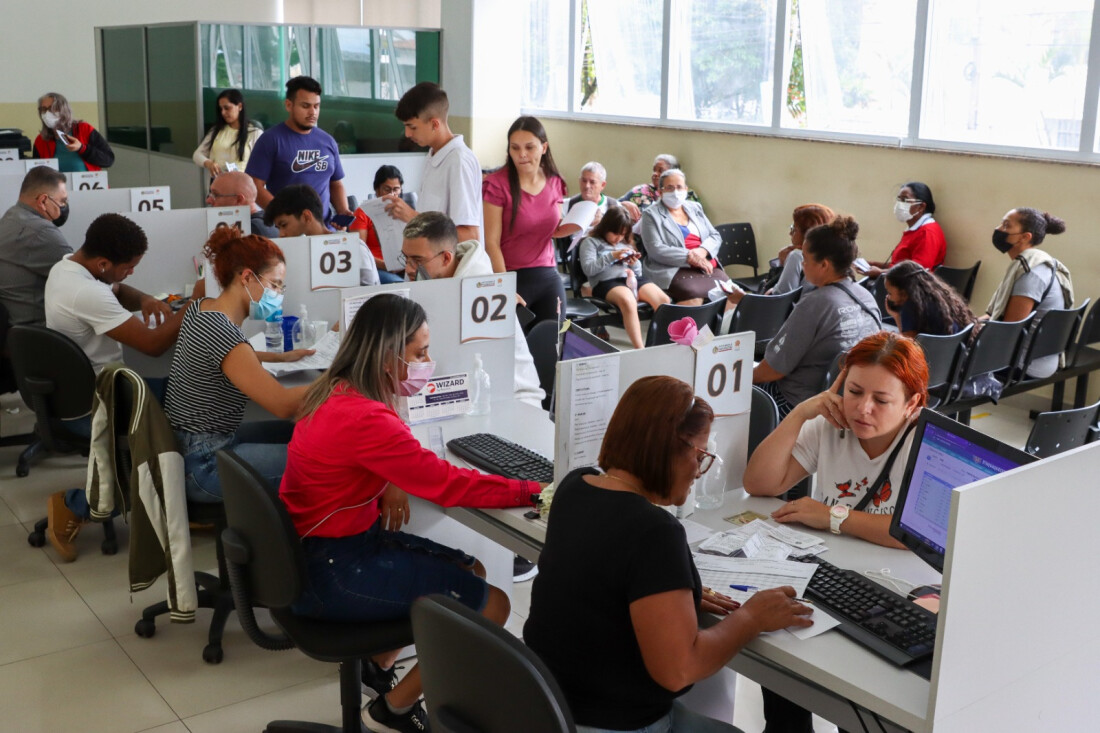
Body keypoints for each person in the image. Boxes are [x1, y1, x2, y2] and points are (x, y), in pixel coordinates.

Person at [279, 293, 542, 733]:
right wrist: (533, 490)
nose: (428, 361)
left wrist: (392, 478)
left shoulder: (334, 390)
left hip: (314, 552)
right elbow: (449, 484)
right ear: (386, 358)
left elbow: (375, 458)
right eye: (419, 353)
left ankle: (379, 668)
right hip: (334, 569)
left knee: (472, 569)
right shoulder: (365, 418)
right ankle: (392, 710)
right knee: (494, 604)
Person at [524, 375, 813, 733]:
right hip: (615, 723)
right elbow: (679, 671)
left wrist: (676, 597)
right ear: (668, 446)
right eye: (700, 454)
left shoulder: (574, 486)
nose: (698, 470)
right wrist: (751, 618)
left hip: (549, 710)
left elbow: (598, 590)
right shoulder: (654, 531)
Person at [744, 331, 927, 733]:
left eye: (881, 401)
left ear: (912, 403)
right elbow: (760, 483)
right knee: (780, 665)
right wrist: (800, 413)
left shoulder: (926, 444)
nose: (862, 409)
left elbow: (909, 533)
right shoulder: (831, 425)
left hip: (894, 589)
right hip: (830, 575)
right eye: (853, 391)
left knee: (858, 700)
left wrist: (830, 516)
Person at [43, 213, 184, 561]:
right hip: (99, 400)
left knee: (182, 396)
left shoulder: (69, 267)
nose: (132, 272)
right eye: (129, 266)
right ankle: (73, 504)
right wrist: (196, 304)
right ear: (104, 262)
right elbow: (152, 345)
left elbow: (116, 288)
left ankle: (178, 499)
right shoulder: (84, 291)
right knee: (177, 412)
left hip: (89, 388)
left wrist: (148, 300)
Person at [165, 227, 314, 504]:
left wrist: (278, 358)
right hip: (204, 465)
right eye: (275, 284)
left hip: (193, 445)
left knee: (306, 431)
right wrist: (344, 380)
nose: (279, 294)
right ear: (247, 277)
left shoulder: (202, 308)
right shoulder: (222, 331)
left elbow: (223, 357)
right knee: (319, 461)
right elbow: (282, 405)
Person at [399, 211, 545, 407]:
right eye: (406, 259)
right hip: (457, 400)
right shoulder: (428, 281)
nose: (408, 269)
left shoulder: (487, 294)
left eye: (417, 261)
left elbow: (515, 384)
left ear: (446, 258)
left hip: (509, 401)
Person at [753, 216, 882, 417]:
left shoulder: (816, 304)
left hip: (799, 405)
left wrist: (741, 379)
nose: (802, 264)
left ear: (824, 265)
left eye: (805, 258)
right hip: (844, 405)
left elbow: (774, 369)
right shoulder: (867, 297)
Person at [483, 116, 579, 325]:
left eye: (529, 147)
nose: (522, 155)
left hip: (547, 274)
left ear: (544, 147)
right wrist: (504, 287)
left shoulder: (556, 181)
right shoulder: (496, 184)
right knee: (515, 351)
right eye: (515, 148)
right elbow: (491, 242)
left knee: (550, 345)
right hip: (510, 275)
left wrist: (584, 221)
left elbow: (554, 230)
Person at [245, 76, 351, 223]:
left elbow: (335, 183)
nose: (312, 112)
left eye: (316, 106)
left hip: (323, 230)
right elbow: (254, 186)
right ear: (289, 105)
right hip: (287, 234)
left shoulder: (328, 141)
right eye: (305, 106)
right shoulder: (270, 140)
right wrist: (283, 217)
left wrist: (343, 211)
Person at [984, 207, 1074, 379]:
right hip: (1035, 358)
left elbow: (1009, 329)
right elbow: (997, 318)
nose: (998, 229)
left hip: (1025, 364)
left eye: (1006, 226)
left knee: (943, 357)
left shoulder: (1031, 273)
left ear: (1025, 237)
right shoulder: (1036, 264)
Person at [388, 82, 483, 243]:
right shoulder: (433, 155)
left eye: (412, 127)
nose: (407, 134)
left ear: (434, 124)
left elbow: (470, 235)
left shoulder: (458, 161)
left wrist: (413, 217)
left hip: (456, 267)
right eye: (405, 126)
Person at [579, 206, 670, 349]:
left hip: (630, 279)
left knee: (664, 301)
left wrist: (634, 263)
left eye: (623, 234)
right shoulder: (590, 242)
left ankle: (661, 343)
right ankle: (640, 349)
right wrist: (612, 256)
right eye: (615, 233)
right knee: (628, 301)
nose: (619, 238)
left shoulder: (625, 242)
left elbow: (638, 274)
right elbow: (589, 269)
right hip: (606, 283)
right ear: (605, 227)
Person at [640, 168, 731, 305]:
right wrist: (689, 257)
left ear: (686, 189)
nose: (675, 192)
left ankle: (719, 327)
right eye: (669, 188)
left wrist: (701, 251)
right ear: (660, 190)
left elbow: (715, 236)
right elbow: (655, 249)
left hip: (705, 265)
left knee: (731, 294)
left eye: (679, 187)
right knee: (694, 296)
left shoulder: (695, 208)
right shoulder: (651, 214)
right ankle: (677, 326)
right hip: (672, 269)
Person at [264, 184, 379, 286]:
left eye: (284, 225)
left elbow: (367, 293)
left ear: (306, 216)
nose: (281, 235)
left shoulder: (352, 247)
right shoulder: (293, 255)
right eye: (278, 228)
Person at [0, 166, 72, 327]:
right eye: (62, 201)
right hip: (37, 330)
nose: (64, 206)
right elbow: (82, 277)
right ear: (43, 201)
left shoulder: (11, 216)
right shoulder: (40, 232)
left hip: (14, 327)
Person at [862, 183, 946, 278]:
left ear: (921, 206)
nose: (899, 204)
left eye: (904, 200)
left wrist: (881, 272)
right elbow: (901, 266)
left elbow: (918, 272)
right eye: (899, 199)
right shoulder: (914, 230)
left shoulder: (927, 232)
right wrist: (877, 265)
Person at [883, 260, 975, 338]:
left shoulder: (910, 307)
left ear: (903, 292)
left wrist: (897, 318)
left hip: (930, 356)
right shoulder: (940, 297)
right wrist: (897, 316)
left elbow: (908, 346)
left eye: (890, 293)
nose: (888, 297)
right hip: (949, 356)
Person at [348, 164, 407, 283]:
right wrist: (386, 266)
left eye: (396, 189)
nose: (392, 194)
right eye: (387, 189)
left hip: (403, 266)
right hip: (377, 267)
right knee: (399, 284)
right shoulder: (363, 213)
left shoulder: (404, 212)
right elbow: (358, 252)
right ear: (377, 189)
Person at [32, 92, 114, 172]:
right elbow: (36, 174)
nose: (47, 113)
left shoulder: (84, 129)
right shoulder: (41, 140)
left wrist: (82, 148)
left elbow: (108, 160)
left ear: (63, 110)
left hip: (89, 183)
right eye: (43, 109)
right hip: (55, 185)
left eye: (52, 108)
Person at [192, 89, 263, 179]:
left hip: (243, 184)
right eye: (221, 109)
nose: (223, 113)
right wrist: (209, 163)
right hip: (219, 183)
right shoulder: (216, 130)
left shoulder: (255, 133)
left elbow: (262, 165)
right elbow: (197, 155)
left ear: (240, 106)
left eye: (227, 108)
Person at [768, 204, 835, 296]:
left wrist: (781, 267)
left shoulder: (796, 256)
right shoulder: (834, 252)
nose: (790, 233)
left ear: (807, 234)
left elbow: (780, 296)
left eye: (794, 229)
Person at [566, 161, 641, 228]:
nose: (587, 186)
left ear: (603, 185)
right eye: (584, 181)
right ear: (579, 181)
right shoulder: (566, 205)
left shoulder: (615, 207)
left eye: (592, 182)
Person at [205, 170, 278, 238]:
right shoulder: (266, 223)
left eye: (215, 195)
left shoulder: (251, 231)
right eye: (210, 194)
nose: (208, 200)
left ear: (239, 200)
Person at [620, 153, 701, 210]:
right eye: (654, 170)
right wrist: (624, 204)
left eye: (661, 171)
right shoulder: (640, 191)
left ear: (673, 173)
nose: (655, 174)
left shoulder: (687, 194)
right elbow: (612, 205)